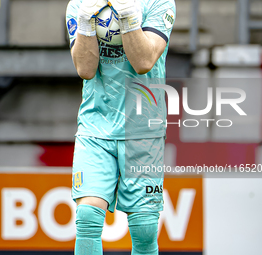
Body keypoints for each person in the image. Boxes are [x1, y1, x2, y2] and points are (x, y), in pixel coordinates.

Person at [66, 0, 176, 254]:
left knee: (145, 228)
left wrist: (127, 15)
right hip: (96, 126)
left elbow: (144, 62)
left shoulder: (160, 3)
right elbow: (85, 69)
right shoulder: (79, 4)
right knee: (87, 217)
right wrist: (85, 23)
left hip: (143, 131)